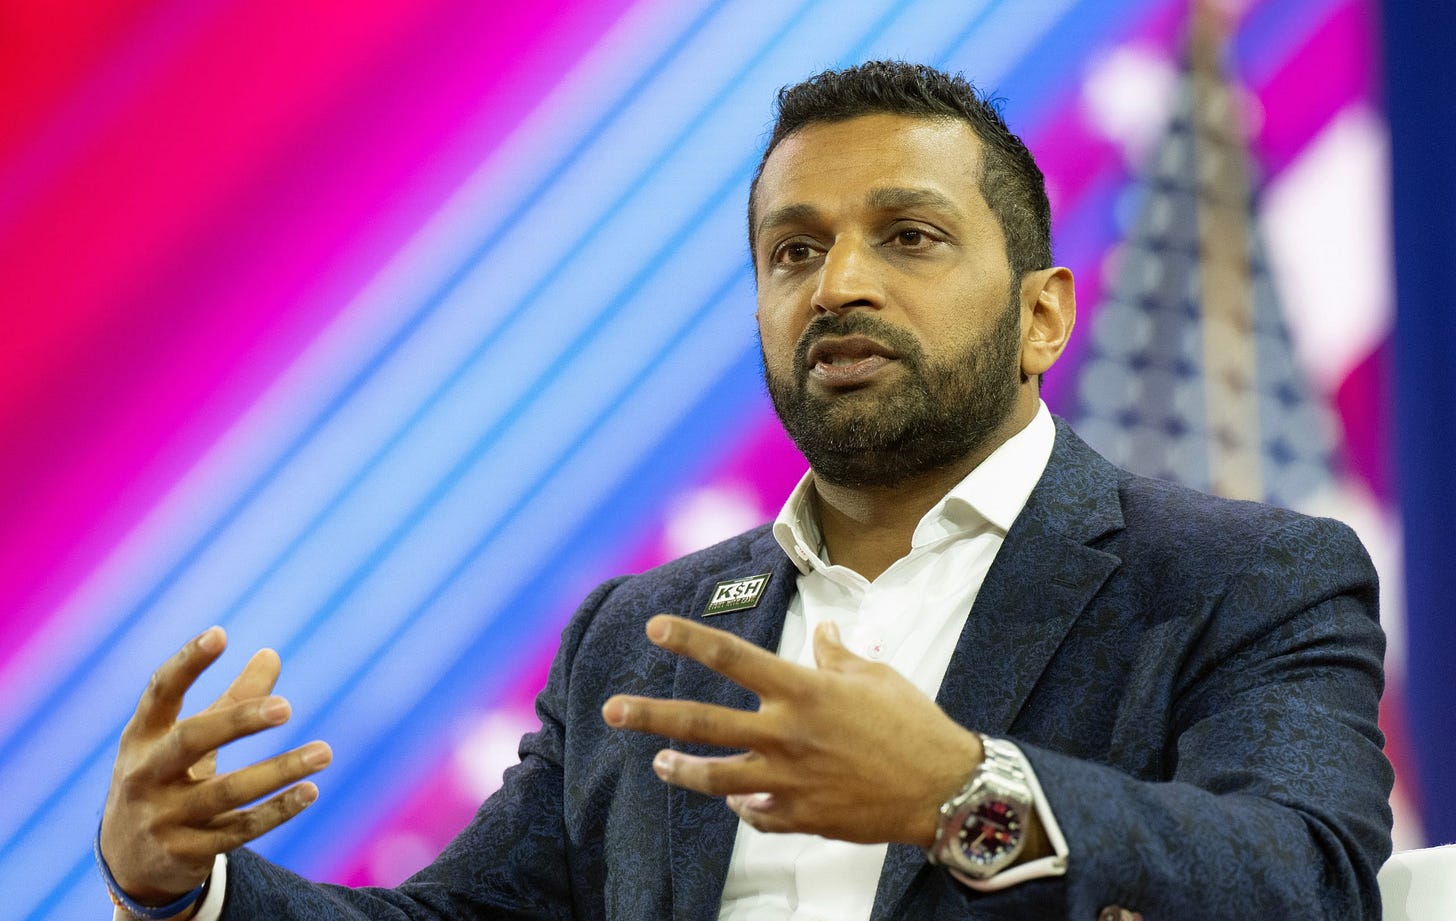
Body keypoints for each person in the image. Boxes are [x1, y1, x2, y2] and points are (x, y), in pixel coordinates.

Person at [97, 61, 1393, 920]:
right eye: (794, 250)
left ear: (1043, 315)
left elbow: (1311, 877)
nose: (839, 284)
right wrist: (180, 888)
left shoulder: (1242, 577)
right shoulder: (641, 633)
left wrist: (963, 793)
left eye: (909, 236)